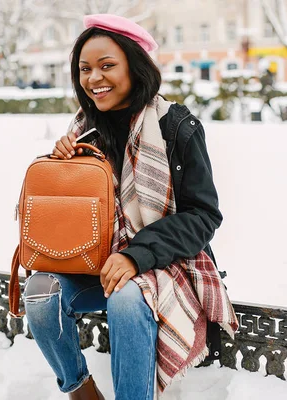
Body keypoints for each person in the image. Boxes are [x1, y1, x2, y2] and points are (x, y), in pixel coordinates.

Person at [22, 14, 238, 400]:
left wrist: (136, 256)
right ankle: (80, 389)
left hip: (163, 264)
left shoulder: (175, 126)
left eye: (107, 66)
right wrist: (62, 166)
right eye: (85, 69)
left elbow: (203, 215)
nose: (94, 79)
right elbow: (64, 211)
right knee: (40, 290)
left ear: (135, 67)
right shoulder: (83, 132)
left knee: (126, 295)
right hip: (93, 264)